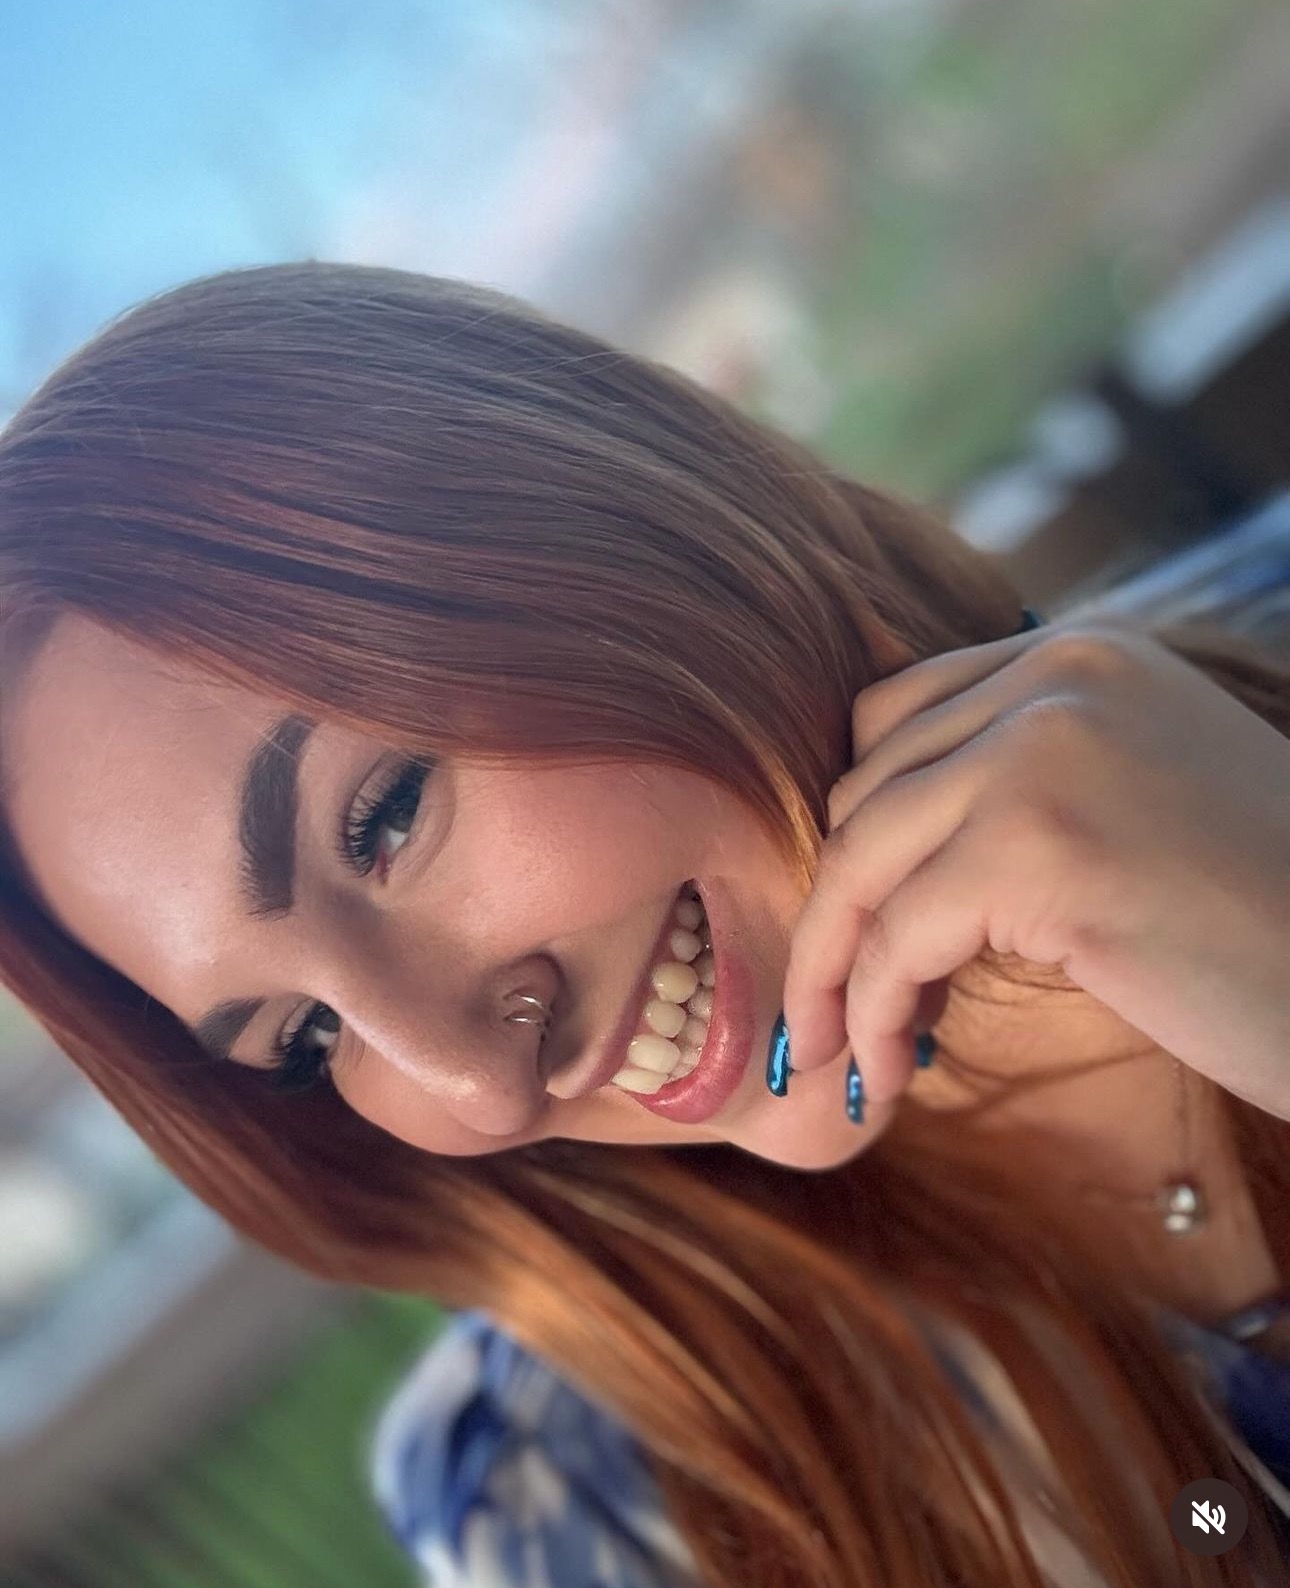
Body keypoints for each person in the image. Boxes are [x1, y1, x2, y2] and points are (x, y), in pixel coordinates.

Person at [0, 260, 1287, 1585]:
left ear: (594, 515)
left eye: (384, 818)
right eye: (307, 1035)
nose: (480, 1085)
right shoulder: (594, 1500)